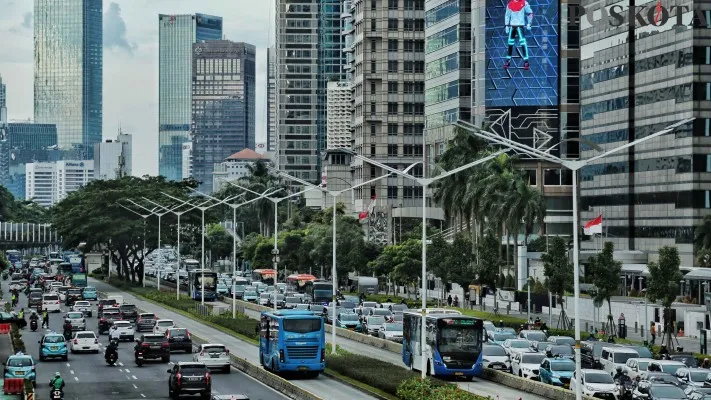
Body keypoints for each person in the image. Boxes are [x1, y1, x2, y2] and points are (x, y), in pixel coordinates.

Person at [503, 0, 534, 70]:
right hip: (512, 26)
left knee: (523, 43)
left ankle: (526, 61)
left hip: (520, 26)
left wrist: (529, 23)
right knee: (510, 43)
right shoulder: (510, 4)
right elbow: (507, 15)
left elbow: (530, 13)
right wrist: (506, 25)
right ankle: (508, 60)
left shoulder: (524, 3)